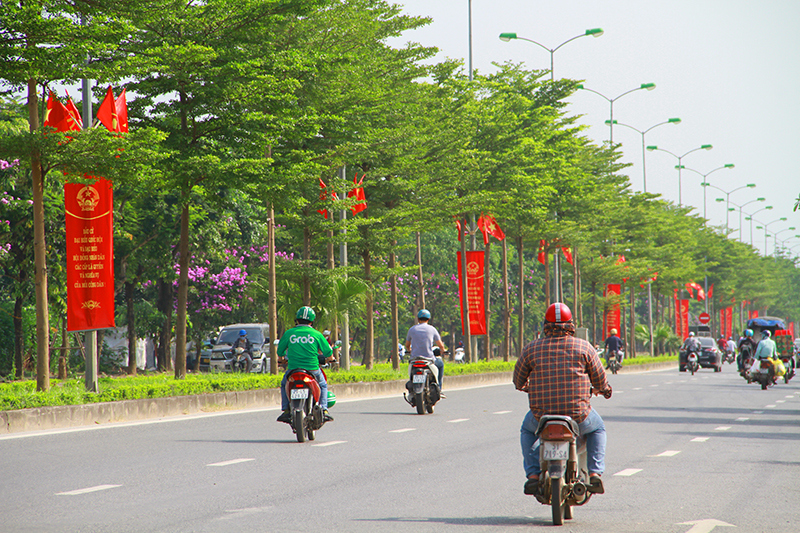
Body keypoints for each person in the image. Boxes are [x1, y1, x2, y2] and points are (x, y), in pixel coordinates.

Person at [513, 302, 612, 497]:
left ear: (546, 325)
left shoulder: (531, 349)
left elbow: (518, 381)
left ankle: (533, 476)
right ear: (571, 324)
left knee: (527, 430)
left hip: (541, 417)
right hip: (578, 416)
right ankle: (594, 473)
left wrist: (527, 387)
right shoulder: (584, 347)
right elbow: (600, 380)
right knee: (598, 429)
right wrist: (605, 390)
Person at [276, 306, 334, 424]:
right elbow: (328, 352)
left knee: (283, 384)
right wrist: (331, 358)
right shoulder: (316, 334)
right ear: (312, 321)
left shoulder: (289, 333)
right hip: (312, 369)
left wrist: (281, 359)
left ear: (296, 320)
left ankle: (286, 409)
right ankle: (324, 409)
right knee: (322, 385)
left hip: (293, 369)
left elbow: (280, 351)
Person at [404, 309, 446, 392]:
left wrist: (409, 350)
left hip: (414, 360)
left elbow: (407, 345)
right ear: (428, 319)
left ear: (418, 319)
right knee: (440, 364)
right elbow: (440, 345)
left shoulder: (412, 329)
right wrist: (443, 350)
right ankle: (439, 389)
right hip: (429, 359)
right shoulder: (432, 329)